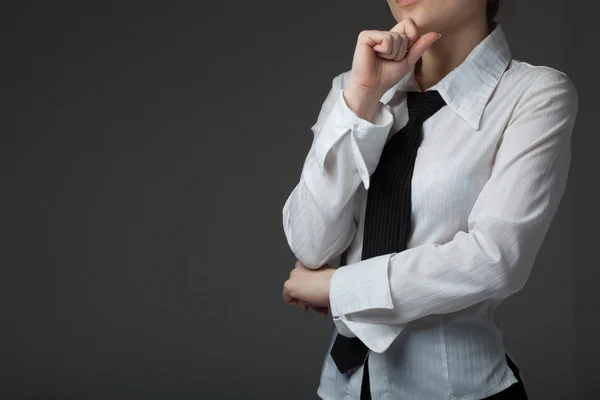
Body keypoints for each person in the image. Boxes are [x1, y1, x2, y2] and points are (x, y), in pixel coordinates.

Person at [281, 0, 578, 399]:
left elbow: (495, 259)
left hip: (460, 389)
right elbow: (309, 243)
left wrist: (337, 289)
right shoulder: (352, 89)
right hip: (343, 386)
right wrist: (364, 98)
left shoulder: (534, 94)